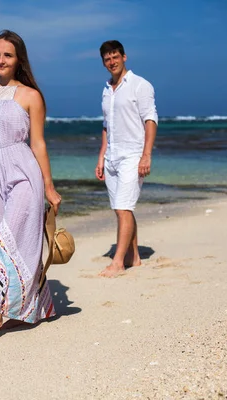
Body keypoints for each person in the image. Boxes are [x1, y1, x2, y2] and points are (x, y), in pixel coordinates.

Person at [0, 30, 62, 343]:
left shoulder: (31, 96)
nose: (1, 60)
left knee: (6, 246)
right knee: (14, 244)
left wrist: (49, 187)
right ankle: (39, 308)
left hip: (24, 175)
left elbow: (38, 143)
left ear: (18, 58)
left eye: (8, 55)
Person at [95, 40, 158, 278]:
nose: (112, 62)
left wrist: (146, 155)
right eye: (107, 59)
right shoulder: (106, 89)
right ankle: (134, 257)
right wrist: (101, 157)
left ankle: (118, 262)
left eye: (115, 57)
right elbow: (106, 126)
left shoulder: (140, 85)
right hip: (112, 157)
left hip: (133, 155)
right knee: (121, 209)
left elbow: (150, 120)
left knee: (124, 207)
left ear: (124, 57)